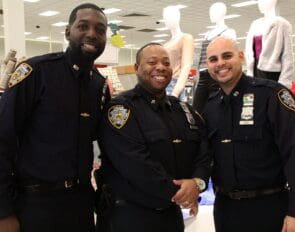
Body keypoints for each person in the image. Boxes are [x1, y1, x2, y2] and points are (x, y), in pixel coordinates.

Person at [0, 3, 110, 232]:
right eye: (83, 26)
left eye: (100, 29)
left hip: (80, 204)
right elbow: (3, 140)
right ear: (68, 32)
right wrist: (4, 211)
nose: (92, 33)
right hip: (35, 204)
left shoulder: (99, 85)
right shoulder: (36, 72)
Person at [95, 43, 212, 232]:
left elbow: (204, 151)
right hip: (130, 217)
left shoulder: (183, 110)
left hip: (170, 216)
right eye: (152, 62)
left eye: (166, 63)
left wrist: (197, 183)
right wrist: (182, 194)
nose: (160, 67)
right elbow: (136, 164)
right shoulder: (121, 110)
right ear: (136, 68)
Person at [203, 36, 295, 232]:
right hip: (225, 210)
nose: (220, 63)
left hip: (269, 209)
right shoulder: (210, 106)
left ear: (241, 57)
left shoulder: (271, 95)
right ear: (208, 65)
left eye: (227, 56)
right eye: (213, 59)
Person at [193, 1, 236, 113]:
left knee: (216, 108)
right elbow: (204, 56)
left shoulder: (229, 32)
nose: (211, 14)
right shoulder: (207, 34)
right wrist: (197, 74)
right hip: (203, 75)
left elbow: (231, 56)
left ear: (223, 13)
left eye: (214, 11)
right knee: (197, 109)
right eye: (210, 11)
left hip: (217, 74)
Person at [245, 0, 294, 89]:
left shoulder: (282, 24)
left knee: (271, 101)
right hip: (254, 71)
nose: (260, 3)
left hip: (272, 73)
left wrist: (284, 81)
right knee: (256, 100)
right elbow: (250, 51)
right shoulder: (255, 24)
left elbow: (287, 55)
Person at [163, 6, 194, 102]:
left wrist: (175, 93)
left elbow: (186, 66)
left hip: (174, 85)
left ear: (178, 17)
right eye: (165, 17)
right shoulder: (166, 44)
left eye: (169, 16)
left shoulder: (186, 38)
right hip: (163, 83)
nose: (166, 20)